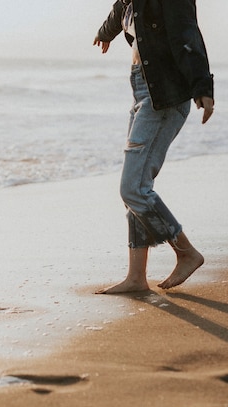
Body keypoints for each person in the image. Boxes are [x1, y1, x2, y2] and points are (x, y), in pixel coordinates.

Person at [93, 0, 214, 294]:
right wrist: (105, 32)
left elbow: (188, 34)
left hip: (164, 97)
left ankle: (185, 252)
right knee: (136, 190)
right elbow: (118, 11)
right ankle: (136, 277)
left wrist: (202, 88)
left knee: (133, 188)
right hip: (143, 91)